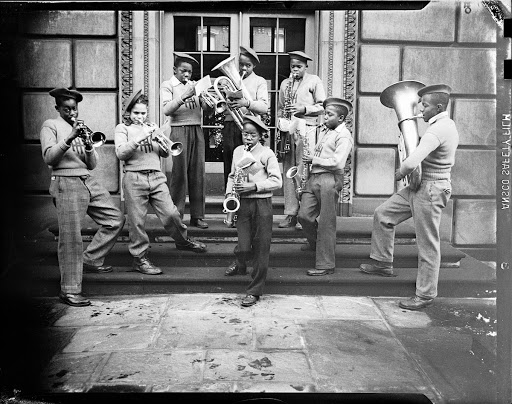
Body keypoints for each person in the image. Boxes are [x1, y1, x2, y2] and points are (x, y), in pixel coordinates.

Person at [359, 84, 459, 311]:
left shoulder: (438, 130)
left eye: (424, 105)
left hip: (431, 188)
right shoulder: (441, 126)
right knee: (383, 214)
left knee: (427, 244)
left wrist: (400, 173)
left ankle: (424, 295)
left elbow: (413, 161)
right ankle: (383, 262)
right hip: (421, 186)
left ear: (439, 107)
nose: (420, 108)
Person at [40, 87, 125, 307]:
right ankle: (69, 290)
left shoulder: (81, 128)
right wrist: (70, 137)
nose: (71, 113)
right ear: (57, 107)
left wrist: (88, 145)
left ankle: (91, 259)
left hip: (87, 179)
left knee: (115, 218)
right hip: (65, 181)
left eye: (74, 108)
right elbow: (49, 157)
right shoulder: (51, 125)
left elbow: (92, 164)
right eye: (66, 109)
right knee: (70, 238)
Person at [115, 90, 207, 275]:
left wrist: (162, 139)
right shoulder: (123, 129)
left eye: (143, 113)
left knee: (171, 213)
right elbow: (121, 153)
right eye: (136, 113)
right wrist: (141, 136)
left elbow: (164, 153)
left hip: (156, 177)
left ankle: (183, 241)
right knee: (137, 221)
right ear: (128, 113)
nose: (140, 117)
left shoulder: (152, 126)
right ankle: (139, 258)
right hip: (134, 177)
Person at [223, 115, 282, 307]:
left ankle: (254, 290)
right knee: (243, 245)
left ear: (260, 136)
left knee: (261, 248)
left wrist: (254, 187)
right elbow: (232, 175)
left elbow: (277, 181)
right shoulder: (238, 151)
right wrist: (228, 194)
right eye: (245, 134)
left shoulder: (267, 153)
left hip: (262, 204)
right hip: (243, 205)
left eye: (252, 134)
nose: (248, 138)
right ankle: (240, 263)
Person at [298, 98, 353, 276]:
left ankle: (325, 264)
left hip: (330, 178)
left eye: (329, 115)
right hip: (315, 176)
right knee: (304, 216)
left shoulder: (344, 135)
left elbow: (338, 163)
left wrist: (314, 160)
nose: (325, 118)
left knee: (326, 222)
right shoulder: (326, 131)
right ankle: (316, 245)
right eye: (325, 114)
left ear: (341, 118)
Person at [277, 51, 326, 230]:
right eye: (292, 66)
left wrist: (303, 108)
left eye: (299, 66)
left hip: (307, 129)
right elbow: (280, 108)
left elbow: (323, 106)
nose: (295, 69)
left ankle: (305, 214)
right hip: (289, 130)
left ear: (306, 66)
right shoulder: (285, 84)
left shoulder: (314, 81)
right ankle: (290, 213)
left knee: (305, 170)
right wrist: (281, 123)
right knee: (289, 170)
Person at [160, 52, 210, 229]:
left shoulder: (194, 85)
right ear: (175, 70)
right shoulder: (168, 85)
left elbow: (206, 111)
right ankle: (177, 215)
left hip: (197, 129)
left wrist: (206, 101)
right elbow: (167, 109)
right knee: (179, 174)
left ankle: (198, 216)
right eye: (183, 71)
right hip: (178, 130)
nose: (187, 75)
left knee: (198, 173)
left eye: (189, 71)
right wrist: (184, 96)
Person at [221, 45, 269, 188]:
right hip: (231, 125)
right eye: (241, 64)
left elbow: (264, 107)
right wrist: (225, 94)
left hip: (251, 127)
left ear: (254, 65)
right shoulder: (229, 80)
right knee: (231, 162)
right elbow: (221, 105)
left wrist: (246, 103)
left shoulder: (259, 81)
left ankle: (249, 194)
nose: (243, 68)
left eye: (248, 65)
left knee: (251, 163)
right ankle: (230, 195)